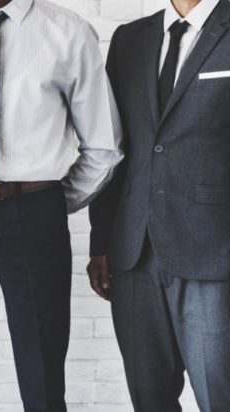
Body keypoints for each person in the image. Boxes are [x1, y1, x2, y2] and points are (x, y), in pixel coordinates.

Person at [0, 0, 123, 410]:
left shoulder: (68, 30)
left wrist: (46, 202)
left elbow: (103, 145)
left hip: (36, 216)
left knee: (43, 374)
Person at [88, 0, 230, 410]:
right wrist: (102, 242)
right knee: (149, 398)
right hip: (133, 253)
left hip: (214, 253)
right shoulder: (130, 38)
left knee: (219, 396)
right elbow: (112, 147)